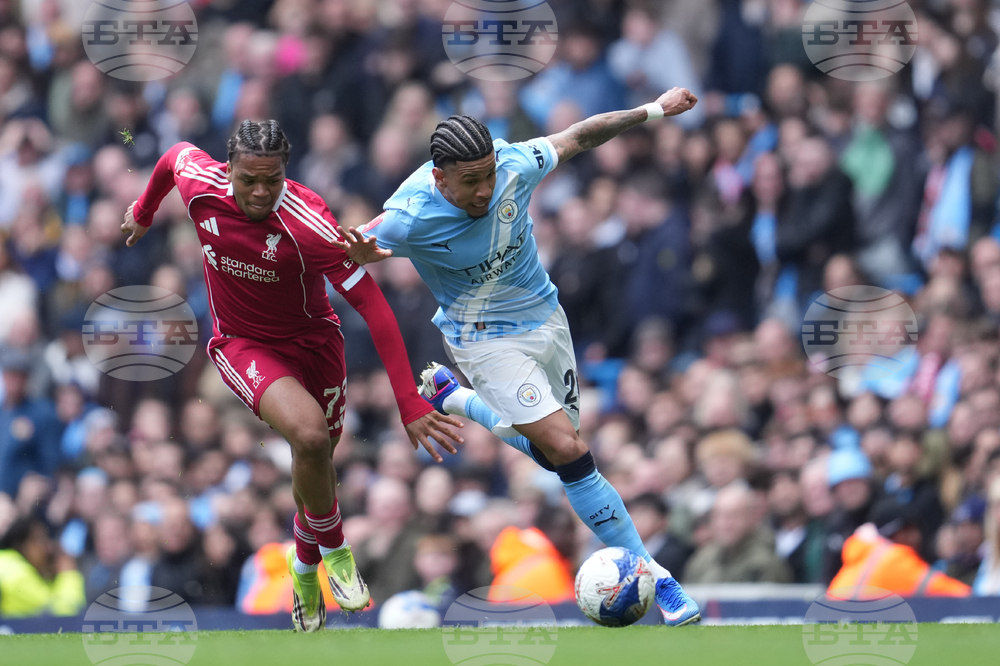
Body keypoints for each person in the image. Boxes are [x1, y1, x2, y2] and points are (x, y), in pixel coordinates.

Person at [337, 89, 703, 626]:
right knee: (568, 447)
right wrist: (358, 253)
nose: (485, 188)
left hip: (546, 319)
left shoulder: (513, 164)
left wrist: (653, 110)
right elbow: (339, 246)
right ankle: (659, 578)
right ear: (440, 179)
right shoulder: (407, 216)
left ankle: (457, 400)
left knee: (559, 457)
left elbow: (581, 134)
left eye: (488, 174)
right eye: (469, 181)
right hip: (482, 339)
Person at [119, 119, 463, 632]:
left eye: (272, 180)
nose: (260, 192)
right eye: (249, 179)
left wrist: (408, 401)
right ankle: (337, 551)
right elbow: (172, 156)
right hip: (242, 344)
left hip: (316, 348)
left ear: (286, 172)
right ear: (228, 169)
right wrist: (144, 211)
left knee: (318, 458)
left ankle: (303, 569)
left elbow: (374, 306)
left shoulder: (309, 224)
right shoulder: (202, 187)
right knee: (307, 436)